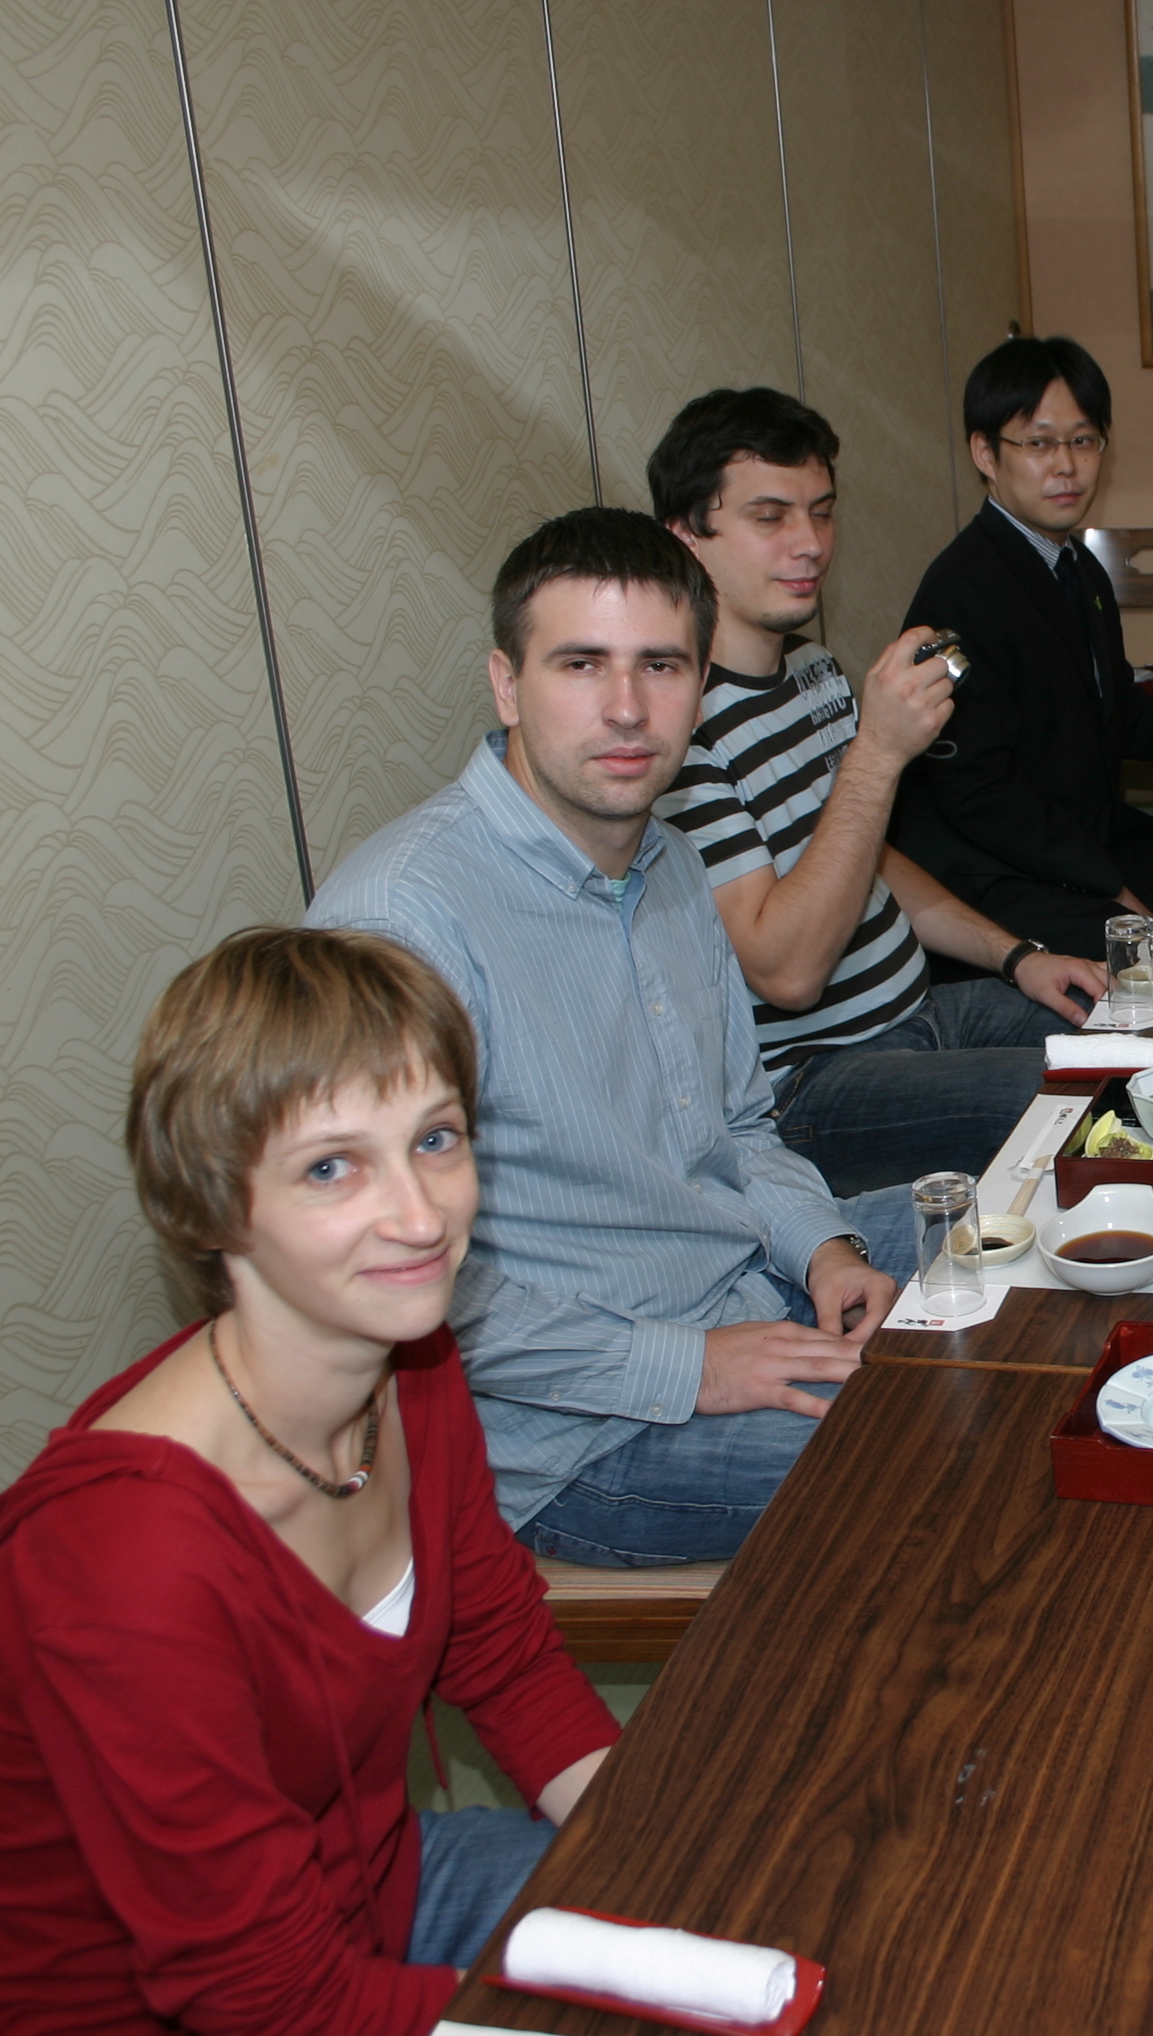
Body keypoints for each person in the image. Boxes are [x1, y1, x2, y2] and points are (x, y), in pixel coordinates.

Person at [0, 927, 622, 2036]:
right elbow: (278, 2009)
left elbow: (505, 1662)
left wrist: (660, 1856)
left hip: (371, 1899)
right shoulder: (127, 1561)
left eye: (436, 1139)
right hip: (181, 2021)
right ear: (213, 1204)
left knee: (745, 1911)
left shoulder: (410, 1369)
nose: (421, 1216)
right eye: (330, 1167)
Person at [308, 507, 916, 1568]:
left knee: (1029, 1241)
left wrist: (822, 1248)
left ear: (700, 685)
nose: (628, 708)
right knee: (946, 1443)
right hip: (580, 1427)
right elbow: (396, 1277)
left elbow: (739, 1125)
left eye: (661, 666)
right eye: (581, 664)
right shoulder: (402, 923)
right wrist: (692, 1367)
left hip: (740, 1280)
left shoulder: (672, 861)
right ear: (507, 684)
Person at [648, 386, 1112, 1195]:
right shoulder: (675, 730)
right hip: (815, 1084)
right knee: (1076, 1111)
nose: (810, 545)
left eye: (821, 513)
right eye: (769, 517)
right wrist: (878, 753)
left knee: (1133, 1028)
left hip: (921, 1012)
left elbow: (872, 858)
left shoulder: (814, 671)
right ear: (686, 536)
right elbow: (788, 972)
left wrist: (1018, 957)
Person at [896, 334, 1153, 957]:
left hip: (1081, 840)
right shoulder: (962, 590)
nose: (1066, 465)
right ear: (985, 453)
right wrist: (1106, 886)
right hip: (996, 875)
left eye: (1084, 440)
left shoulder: (1078, 569)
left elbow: (1123, 717)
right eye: (1039, 443)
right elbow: (977, 793)